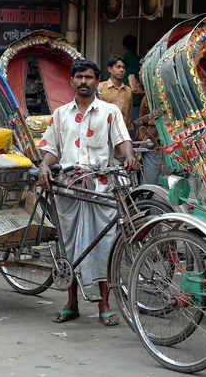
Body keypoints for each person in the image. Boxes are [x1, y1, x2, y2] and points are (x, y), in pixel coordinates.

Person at [38, 59, 139, 327]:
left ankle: (105, 303)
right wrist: (43, 168)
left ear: (97, 82)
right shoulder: (60, 114)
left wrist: (129, 157)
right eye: (79, 77)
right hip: (69, 189)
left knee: (105, 246)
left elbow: (122, 140)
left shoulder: (110, 111)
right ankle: (71, 302)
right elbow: (51, 149)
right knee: (69, 247)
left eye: (89, 77)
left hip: (101, 189)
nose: (84, 81)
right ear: (72, 81)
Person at [98, 56, 133, 133]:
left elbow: (129, 114)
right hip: (103, 132)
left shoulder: (128, 90)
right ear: (110, 69)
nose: (121, 70)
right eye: (118, 67)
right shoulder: (101, 87)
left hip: (122, 132)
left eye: (123, 67)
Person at [121, 35, 142, 131]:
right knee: (136, 133)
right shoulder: (141, 62)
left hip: (121, 103)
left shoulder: (119, 63)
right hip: (137, 103)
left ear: (123, 47)